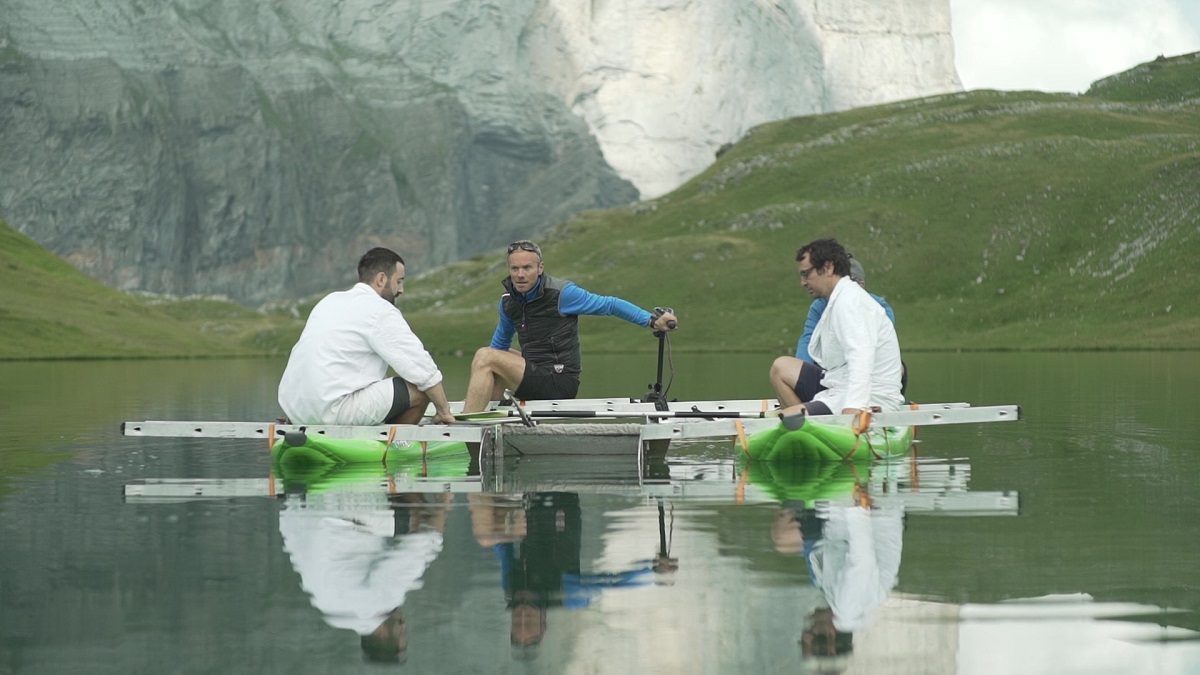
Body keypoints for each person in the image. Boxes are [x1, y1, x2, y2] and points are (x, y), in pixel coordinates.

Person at [461, 240, 678, 412]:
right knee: (493, 356)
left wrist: (651, 320)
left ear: (540, 268)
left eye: (527, 267)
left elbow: (609, 305)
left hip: (560, 381)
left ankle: (466, 429)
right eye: (515, 268)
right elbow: (498, 345)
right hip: (534, 372)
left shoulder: (563, 294)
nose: (520, 274)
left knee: (486, 356)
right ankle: (484, 421)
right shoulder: (508, 301)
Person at [278, 247, 456, 426]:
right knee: (420, 388)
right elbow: (422, 368)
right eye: (399, 281)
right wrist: (443, 411)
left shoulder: (329, 301)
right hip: (335, 412)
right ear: (381, 279)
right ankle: (399, 444)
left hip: (296, 411)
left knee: (391, 385)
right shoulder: (380, 309)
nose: (401, 290)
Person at [769, 238, 903, 416]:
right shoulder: (838, 299)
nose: (803, 282)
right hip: (838, 388)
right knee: (781, 367)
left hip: (871, 398)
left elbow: (861, 354)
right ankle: (809, 422)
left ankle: (809, 424)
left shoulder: (849, 301)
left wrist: (853, 408)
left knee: (786, 417)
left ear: (828, 268)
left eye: (806, 274)